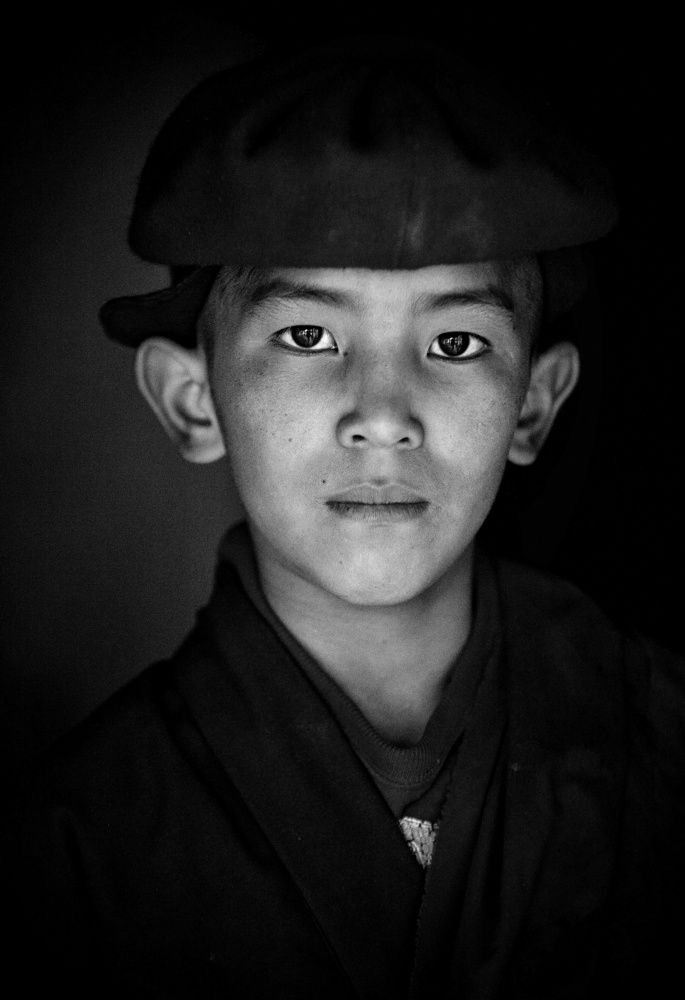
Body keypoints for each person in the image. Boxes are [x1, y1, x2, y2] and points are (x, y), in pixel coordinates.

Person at [5, 34, 685, 999]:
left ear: (532, 405)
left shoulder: (659, 741)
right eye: (306, 334)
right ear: (194, 401)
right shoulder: (76, 843)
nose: (382, 415)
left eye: (455, 342)